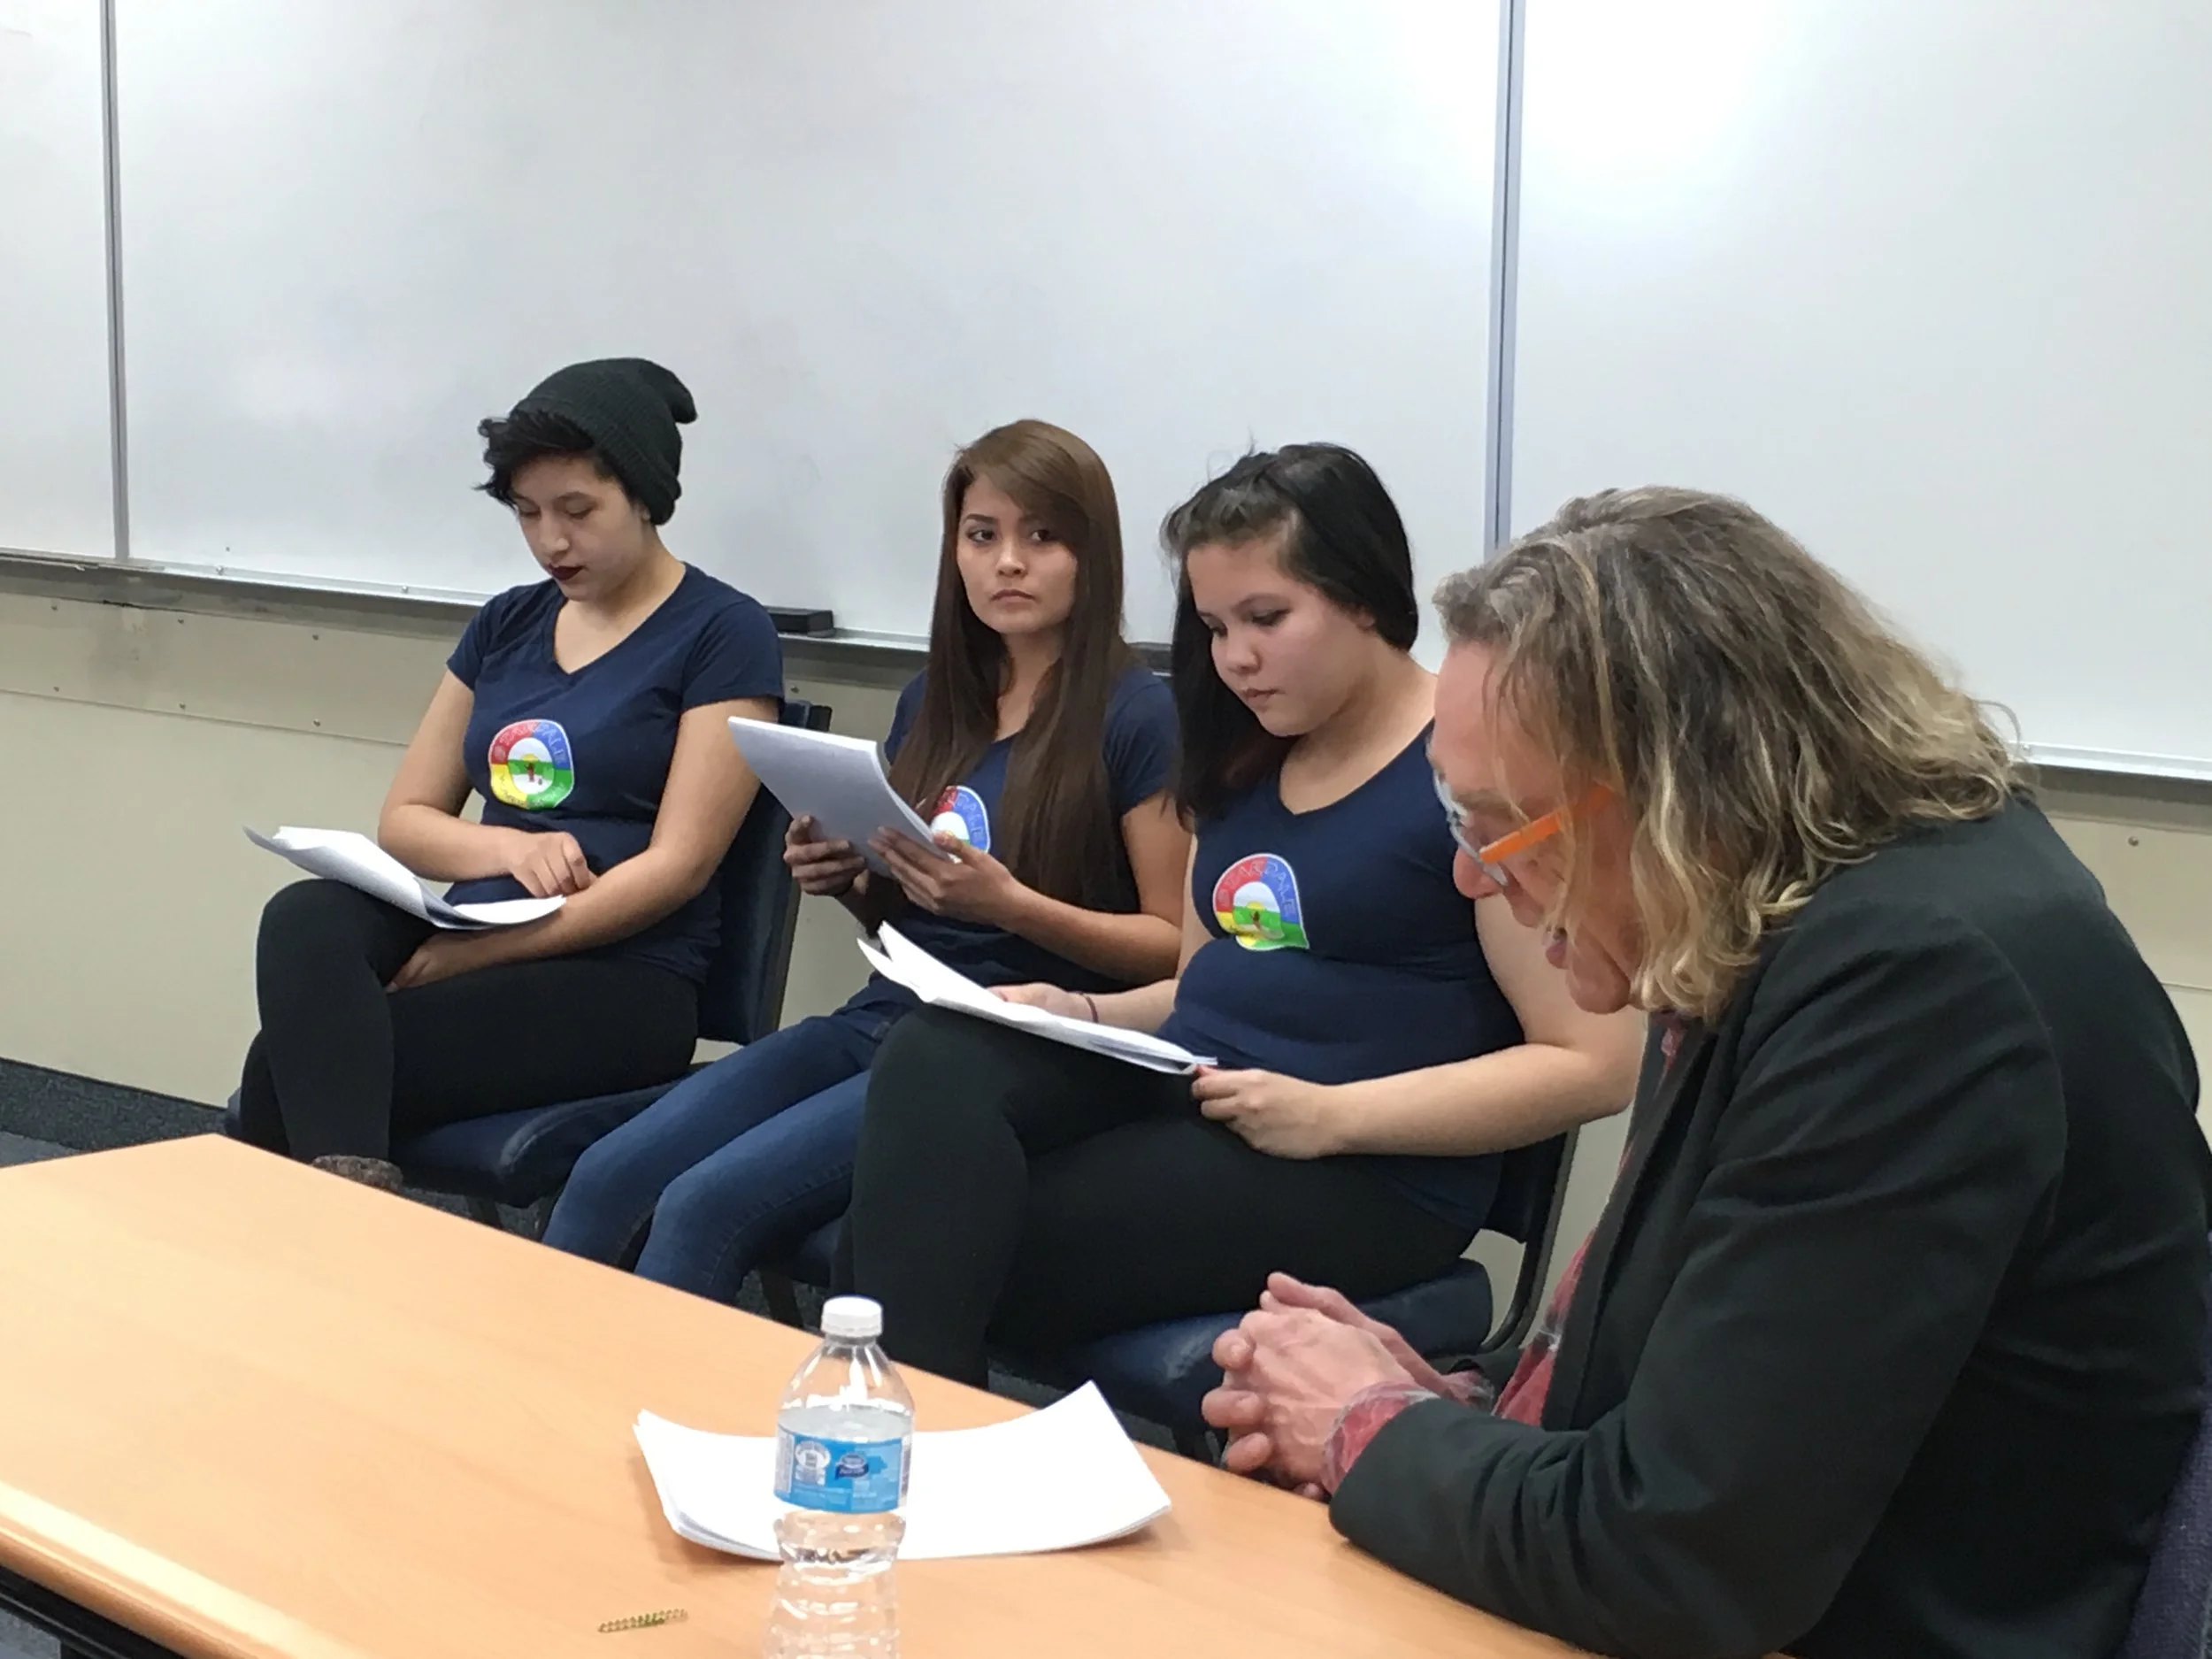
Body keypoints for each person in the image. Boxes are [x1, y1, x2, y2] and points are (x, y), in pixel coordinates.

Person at [1202, 488, 2212, 1659]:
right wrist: (1451, 1409)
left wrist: (1364, 1426)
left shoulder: (1916, 984)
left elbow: (1680, 1555)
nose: (1474, 879)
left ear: (1675, 791)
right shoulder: (1781, 913)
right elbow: (1708, 1402)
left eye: (1496, 828)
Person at [836, 444, 1646, 1387]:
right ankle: (915, 1446)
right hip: (1198, 1094)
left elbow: (1594, 1063)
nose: (1237, 659)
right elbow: (1204, 979)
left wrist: (1330, 1117)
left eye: (1267, 618)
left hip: (1361, 1167)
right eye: (1217, 628)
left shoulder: (1466, 769)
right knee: (934, 1063)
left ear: (1366, 598)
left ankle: (910, 1459)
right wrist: (1083, 1012)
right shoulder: (1244, 757)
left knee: (936, 1248)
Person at [541, 419, 1187, 1292]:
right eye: (981, 535)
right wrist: (853, 880)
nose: (1007, 563)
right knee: (608, 1172)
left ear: (1090, 553)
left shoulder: (1138, 716)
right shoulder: (936, 701)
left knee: (703, 1209)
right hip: (890, 1009)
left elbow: (1175, 946)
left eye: (1042, 537)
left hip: (1017, 1047)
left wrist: (1014, 907)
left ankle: (650, 1421)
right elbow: (919, 912)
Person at [237, 358, 783, 1190]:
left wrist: (486, 954)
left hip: (624, 977)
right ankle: (354, 1218)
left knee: (285, 1069)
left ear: (645, 496)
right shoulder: (507, 622)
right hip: (480, 921)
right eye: (528, 514)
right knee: (305, 916)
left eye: (578, 511)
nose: (550, 541)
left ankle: (340, 1241)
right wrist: (503, 854)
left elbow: (680, 866)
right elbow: (409, 818)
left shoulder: (724, 633)